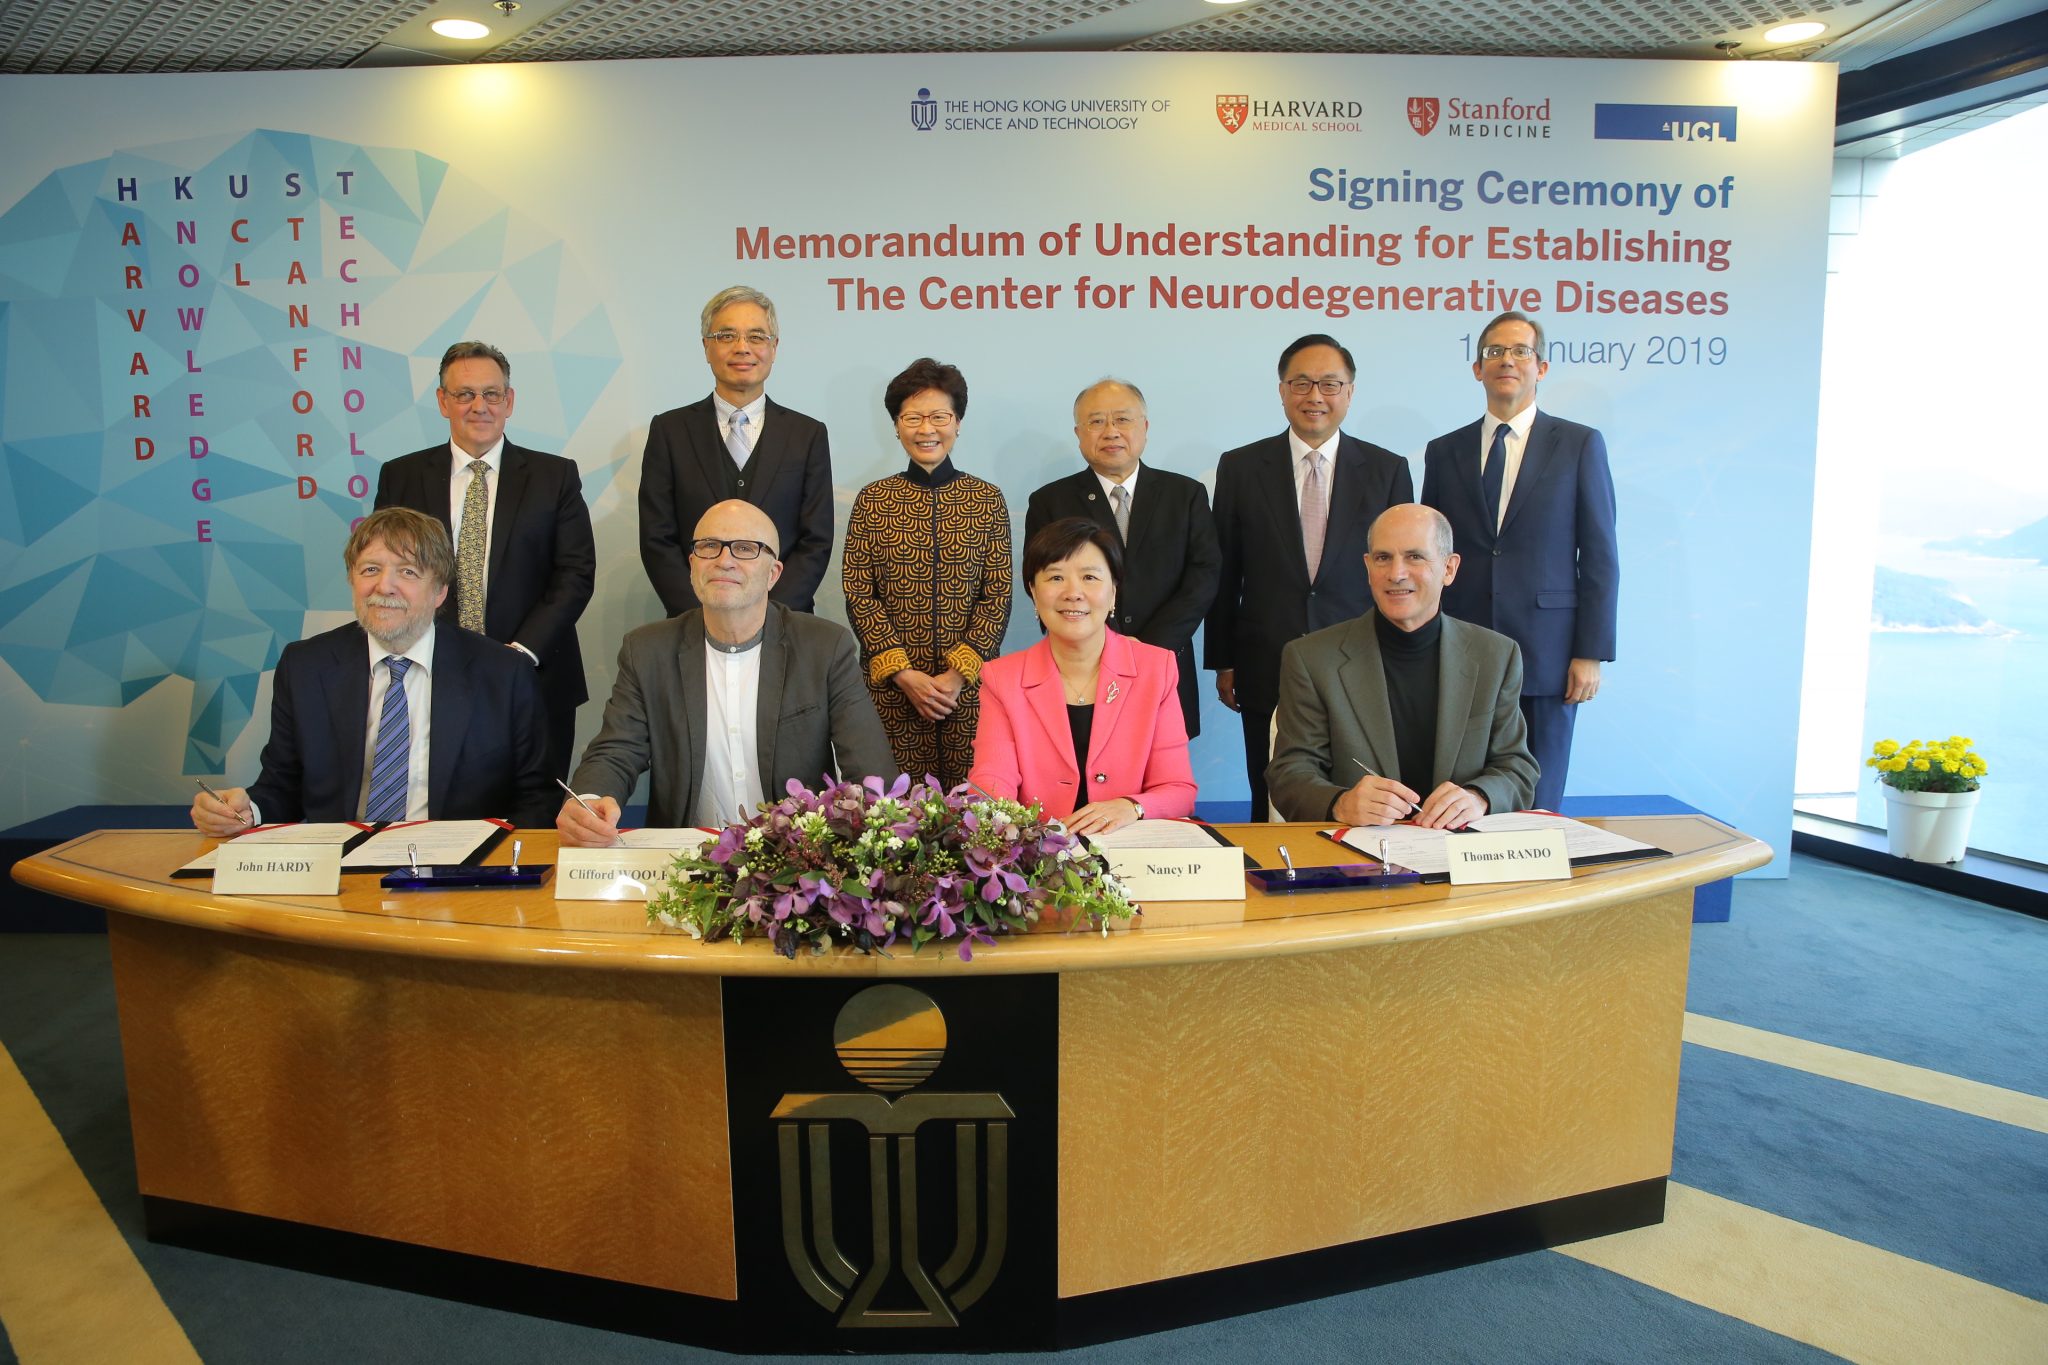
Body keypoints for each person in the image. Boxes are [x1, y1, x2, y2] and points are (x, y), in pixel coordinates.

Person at [190, 508, 554, 834]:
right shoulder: (306, 667)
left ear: (440, 591)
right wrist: (245, 811)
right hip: (337, 868)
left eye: (408, 572)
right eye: (370, 570)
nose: (384, 586)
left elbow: (536, 798)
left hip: (457, 873)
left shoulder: (503, 673)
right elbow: (283, 785)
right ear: (352, 580)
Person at [557, 501, 895, 845]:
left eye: (746, 548)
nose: (724, 560)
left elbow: (871, 773)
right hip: (683, 860)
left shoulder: (825, 647)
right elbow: (615, 751)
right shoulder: (646, 650)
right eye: (708, 546)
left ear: (773, 573)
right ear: (692, 566)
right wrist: (588, 801)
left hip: (796, 863)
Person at [1206, 334, 1414, 819]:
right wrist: (1223, 660)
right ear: (1282, 391)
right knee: (1272, 791)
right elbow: (1225, 569)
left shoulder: (1387, 470)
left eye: (1329, 384)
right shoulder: (1240, 467)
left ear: (1350, 392)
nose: (1314, 396)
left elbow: (1401, 578)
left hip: (1362, 662)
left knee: (1362, 795)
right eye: (1301, 383)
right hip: (1266, 659)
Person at [1421, 311, 1618, 811]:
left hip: (1549, 650)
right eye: (1494, 352)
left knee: (1540, 796)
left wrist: (1590, 652)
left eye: (1520, 351)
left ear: (1542, 367)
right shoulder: (1445, 451)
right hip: (1461, 646)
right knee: (1460, 792)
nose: (1506, 360)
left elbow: (1599, 555)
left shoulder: (1579, 444)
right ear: (1477, 369)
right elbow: (1432, 553)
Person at [374, 340, 595, 781]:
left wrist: (519, 654)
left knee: (535, 816)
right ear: (443, 401)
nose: (480, 406)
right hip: (431, 675)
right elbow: (390, 576)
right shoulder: (400, 476)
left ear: (509, 401)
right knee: (441, 809)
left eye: (492, 394)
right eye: (464, 394)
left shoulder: (555, 476)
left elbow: (574, 574)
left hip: (535, 674)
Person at [1267, 504, 1536, 827]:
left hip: (1460, 853)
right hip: (1355, 855)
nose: (1396, 573)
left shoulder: (1496, 655)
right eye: (1383, 558)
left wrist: (1479, 797)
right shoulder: (1311, 658)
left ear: (1449, 569)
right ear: (1368, 568)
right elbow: (1289, 772)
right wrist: (1341, 803)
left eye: (1415, 557)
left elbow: (1516, 767)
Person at [842, 358, 1011, 790]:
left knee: (974, 811)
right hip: (892, 692)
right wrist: (903, 673)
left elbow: (998, 596)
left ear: (957, 423)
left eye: (939, 416)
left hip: (969, 692)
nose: (926, 429)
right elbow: (860, 594)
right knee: (891, 815)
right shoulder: (874, 500)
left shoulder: (986, 500)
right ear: (896, 426)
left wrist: (956, 677)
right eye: (912, 417)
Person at [969, 518, 1196, 834]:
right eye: (1055, 577)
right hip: (1040, 858)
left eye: (1090, 577)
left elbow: (1177, 789)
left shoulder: (1155, 669)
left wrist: (1132, 806)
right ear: (1033, 592)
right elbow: (990, 786)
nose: (1073, 593)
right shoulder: (1002, 678)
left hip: (1130, 853)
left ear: (1113, 591)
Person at [1023, 378, 1219, 739]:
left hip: (1165, 659)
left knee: (1162, 773)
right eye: (1097, 421)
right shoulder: (1050, 501)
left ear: (1144, 428)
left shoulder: (1184, 494)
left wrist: (1151, 647)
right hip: (1082, 667)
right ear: (1079, 432)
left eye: (1122, 420)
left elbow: (1204, 575)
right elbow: (1039, 581)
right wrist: (1100, 647)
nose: (1110, 431)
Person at [639, 285, 833, 616]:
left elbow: (815, 541)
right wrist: (701, 613)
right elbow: (658, 538)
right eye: (726, 336)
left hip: (786, 624)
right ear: (706, 346)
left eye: (757, 337)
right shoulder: (669, 431)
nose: (743, 348)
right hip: (693, 622)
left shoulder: (807, 434)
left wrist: (768, 615)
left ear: (774, 348)